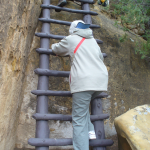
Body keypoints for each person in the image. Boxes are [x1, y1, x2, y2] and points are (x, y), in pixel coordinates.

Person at [51, 20, 108, 150]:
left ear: (73, 29)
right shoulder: (92, 40)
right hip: (100, 82)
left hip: (84, 82)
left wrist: (53, 46)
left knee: (78, 121)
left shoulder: (71, 39)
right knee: (82, 109)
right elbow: (101, 57)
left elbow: (57, 49)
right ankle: (91, 130)